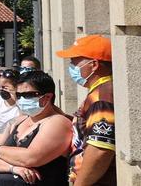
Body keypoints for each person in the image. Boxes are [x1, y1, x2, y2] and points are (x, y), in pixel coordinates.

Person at [0, 70, 72, 186]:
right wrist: (13, 168)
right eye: (18, 95)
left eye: (28, 95)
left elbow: (31, 157)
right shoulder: (16, 121)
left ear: (47, 97)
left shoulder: (57, 122)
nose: (22, 99)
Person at [55, 35, 115, 185]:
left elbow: (100, 149)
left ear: (94, 64)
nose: (71, 66)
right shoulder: (99, 92)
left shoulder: (101, 98)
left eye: (74, 61)